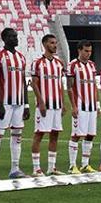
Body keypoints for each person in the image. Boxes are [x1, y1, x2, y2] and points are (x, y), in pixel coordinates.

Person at [0, 28, 30, 180]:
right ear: (5, 38)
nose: (16, 38)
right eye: (12, 36)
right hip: (5, 103)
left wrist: (26, 105)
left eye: (16, 36)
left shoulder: (21, 58)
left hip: (19, 103)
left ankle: (15, 168)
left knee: (17, 135)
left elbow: (24, 82)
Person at [29, 34, 65, 177]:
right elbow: (34, 84)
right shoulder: (37, 63)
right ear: (44, 44)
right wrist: (41, 102)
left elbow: (59, 84)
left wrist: (63, 103)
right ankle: (36, 168)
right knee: (39, 134)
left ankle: (51, 167)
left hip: (57, 105)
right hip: (44, 106)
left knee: (55, 134)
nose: (55, 45)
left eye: (55, 43)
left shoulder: (59, 63)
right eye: (52, 43)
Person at [66, 40, 100, 173]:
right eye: (86, 51)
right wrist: (73, 106)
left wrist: (97, 104)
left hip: (91, 106)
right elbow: (69, 87)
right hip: (80, 105)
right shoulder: (72, 65)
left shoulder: (92, 65)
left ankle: (85, 164)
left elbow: (94, 86)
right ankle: (72, 165)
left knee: (90, 135)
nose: (88, 53)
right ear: (79, 50)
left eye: (90, 51)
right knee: (76, 135)